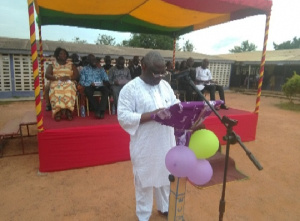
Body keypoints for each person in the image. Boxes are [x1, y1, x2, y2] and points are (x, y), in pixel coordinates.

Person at [118, 51, 179, 221]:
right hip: (145, 145)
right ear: (143, 66)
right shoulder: (130, 89)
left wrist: (182, 110)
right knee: (144, 180)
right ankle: (144, 215)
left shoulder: (165, 86)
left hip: (166, 141)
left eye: (162, 72)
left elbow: (175, 103)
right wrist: (152, 115)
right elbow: (123, 117)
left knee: (166, 176)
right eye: (155, 72)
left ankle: (164, 207)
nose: (160, 77)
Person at [45, 47, 79, 121]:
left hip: (69, 81)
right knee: (56, 88)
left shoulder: (71, 65)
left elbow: (77, 75)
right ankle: (58, 111)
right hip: (57, 81)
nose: (63, 55)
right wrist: (57, 78)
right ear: (57, 55)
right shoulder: (52, 65)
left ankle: (68, 111)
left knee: (70, 88)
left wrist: (69, 77)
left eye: (65, 54)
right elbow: (47, 75)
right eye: (61, 53)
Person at [79, 54, 110, 119]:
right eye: (91, 60)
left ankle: (100, 110)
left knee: (106, 90)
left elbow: (106, 78)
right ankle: (98, 110)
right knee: (87, 91)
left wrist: (101, 70)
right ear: (88, 61)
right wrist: (90, 83)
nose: (94, 61)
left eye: (94, 59)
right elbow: (81, 81)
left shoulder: (100, 68)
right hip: (90, 86)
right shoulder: (84, 69)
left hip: (99, 84)